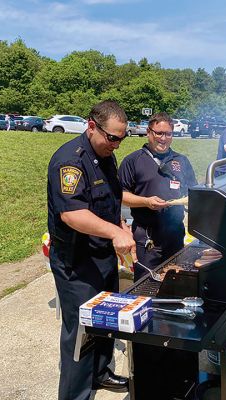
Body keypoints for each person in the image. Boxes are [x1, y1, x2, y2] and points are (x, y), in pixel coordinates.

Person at [47, 100, 137, 400]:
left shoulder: (106, 155)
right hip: (77, 262)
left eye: (122, 138)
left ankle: (100, 373)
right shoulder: (69, 162)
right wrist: (113, 232)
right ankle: (75, 394)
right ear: (91, 126)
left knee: (105, 322)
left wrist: (122, 225)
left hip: (103, 257)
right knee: (81, 333)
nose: (116, 144)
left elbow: (111, 196)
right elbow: (72, 214)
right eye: (112, 137)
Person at [118, 112, 197, 281]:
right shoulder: (133, 161)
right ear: (148, 132)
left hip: (175, 233)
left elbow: (193, 191)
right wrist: (146, 202)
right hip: (147, 236)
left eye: (168, 134)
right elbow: (120, 195)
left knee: (175, 280)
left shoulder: (181, 161)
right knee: (146, 282)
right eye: (159, 133)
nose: (163, 138)